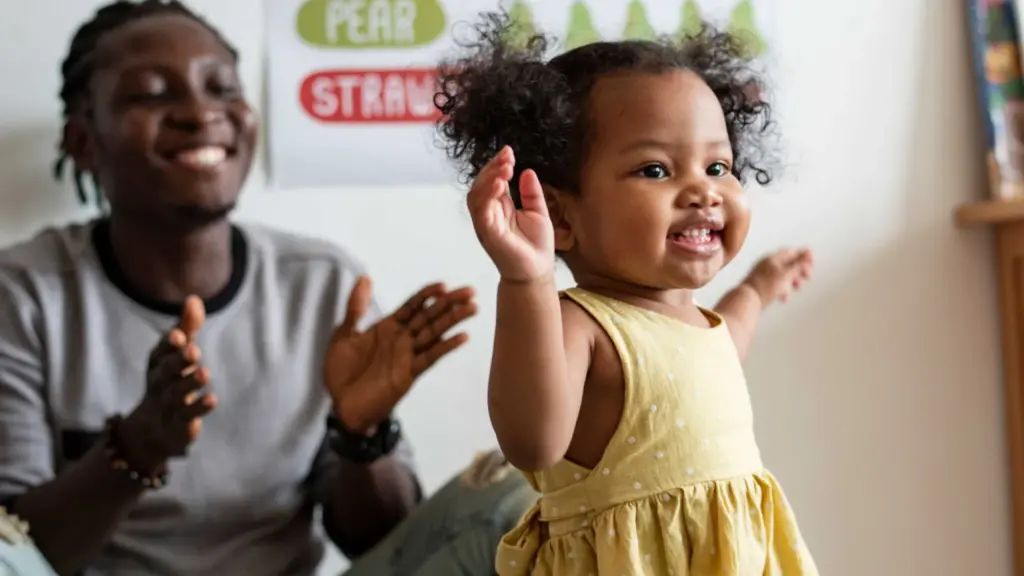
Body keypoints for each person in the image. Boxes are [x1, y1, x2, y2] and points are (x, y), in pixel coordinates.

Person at [0, 1, 535, 575]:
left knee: (516, 498)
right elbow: (19, 549)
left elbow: (386, 544)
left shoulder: (323, 286)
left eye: (222, 89)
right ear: (83, 142)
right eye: (151, 94)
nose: (199, 113)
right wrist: (134, 449)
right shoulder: (25, 295)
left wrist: (361, 433)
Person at [435, 12, 818, 575]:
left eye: (717, 165)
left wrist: (759, 287)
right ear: (562, 216)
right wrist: (527, 280)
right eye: (656, 169)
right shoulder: (583, 324)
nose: (703, 192)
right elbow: (533, 441)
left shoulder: (696, 325)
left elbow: (725, 344)